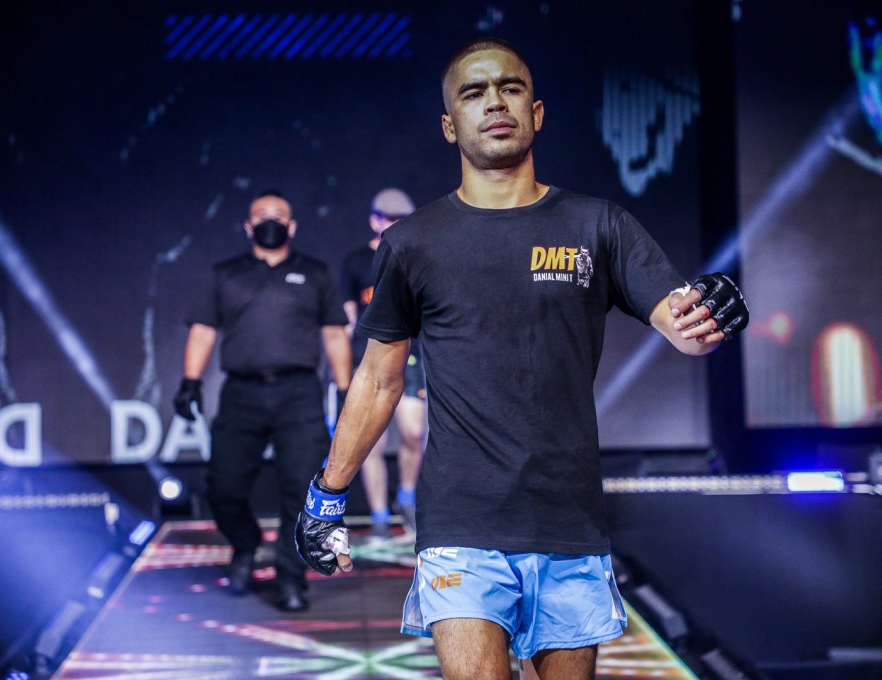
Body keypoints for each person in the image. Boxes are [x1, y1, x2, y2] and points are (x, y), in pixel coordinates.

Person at [295, 38, 749, 678]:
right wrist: (326, 495)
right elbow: (377, 380)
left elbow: (679, 321)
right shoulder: (411, 243)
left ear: (536, 112)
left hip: (568, 522)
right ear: (451, 125)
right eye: (473, 93)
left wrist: (705, 321)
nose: (494, 103)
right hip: (462, 522)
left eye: (509, 88)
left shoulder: (598, 225)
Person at [175, 190, 351, 612]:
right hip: (242, 393)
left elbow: (333, 333)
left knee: (301, 490)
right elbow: (202, 330)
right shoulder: (226, 274)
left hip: (299, 393)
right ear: (248, 226)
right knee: (224, 487)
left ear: (292, 226)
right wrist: (190, 382)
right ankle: (245, 544)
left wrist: (346, 391)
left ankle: (291, 577)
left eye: (279, 216)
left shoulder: (315, 273)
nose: (270, 221)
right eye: (262, 216)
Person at [340, 187, 426, 540]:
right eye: (390, 219)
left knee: (414, 432)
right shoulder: (356, 262)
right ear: (375, 220)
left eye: (402, 220)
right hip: (368, 358)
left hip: (408, 356)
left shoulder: (417, 256)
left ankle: (406, 497)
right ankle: (378, 514)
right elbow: (347, 319)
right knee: (370, 441)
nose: (396, 225)